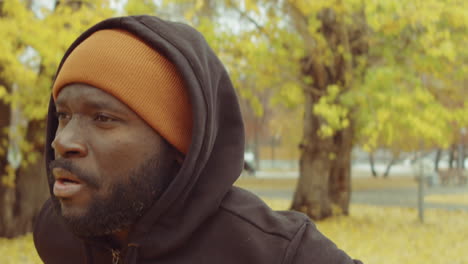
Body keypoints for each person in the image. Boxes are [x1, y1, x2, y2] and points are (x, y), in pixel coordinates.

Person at [33, 15, 362, 264]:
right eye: (63, 115)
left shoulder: (276, 251)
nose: (63, 141)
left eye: (103, 118)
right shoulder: (55, 233)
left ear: (179, 147)